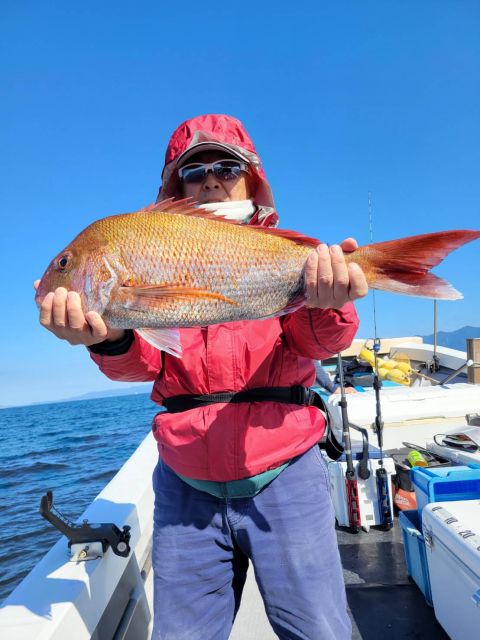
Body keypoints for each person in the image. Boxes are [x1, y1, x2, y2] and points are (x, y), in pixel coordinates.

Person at [36, 114, 368, 639]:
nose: (211, 180)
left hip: (286, 470)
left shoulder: (278, 251)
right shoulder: (151, 247)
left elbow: (318, 344)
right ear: (178, 186)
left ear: (251, 180)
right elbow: (145, 365)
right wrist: (109, 337)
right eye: (195, 171)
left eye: (227, 168)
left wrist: (329, 303)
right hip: (185, 481)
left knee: (319, 631)